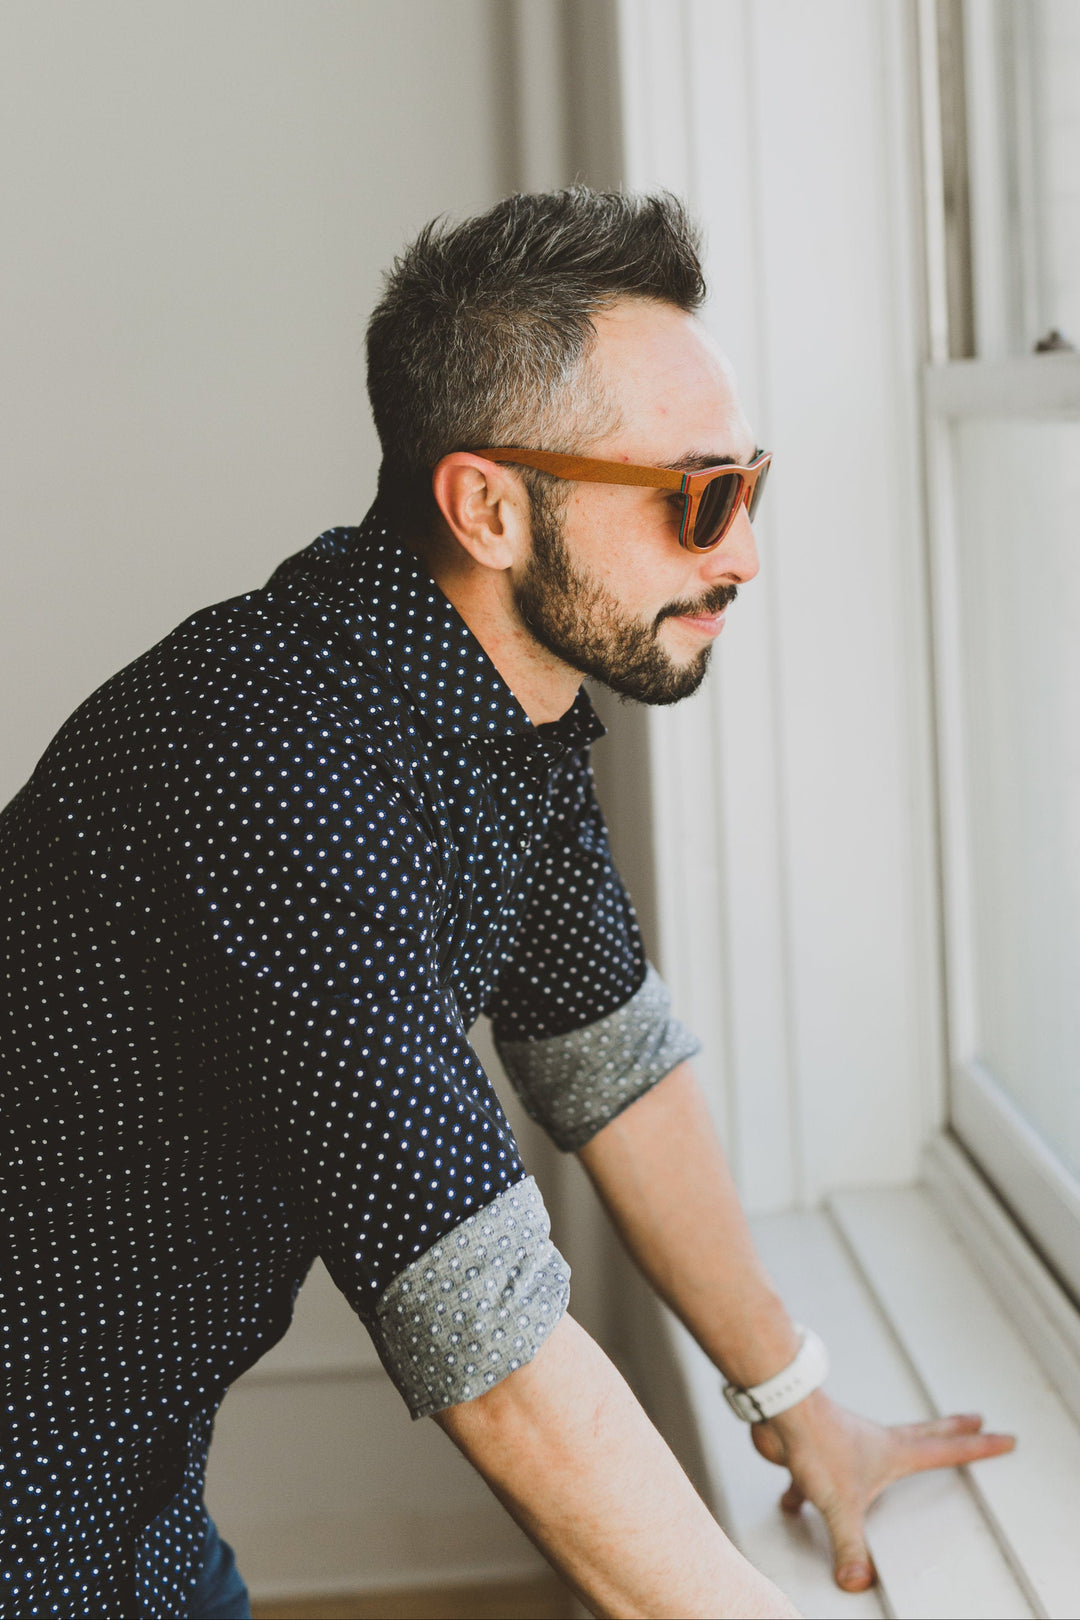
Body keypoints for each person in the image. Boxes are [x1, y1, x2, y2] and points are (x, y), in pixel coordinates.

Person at [1, 189, 1012, 1620]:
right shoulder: (274, 755)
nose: (742, 555)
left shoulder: (497, 722)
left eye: (750, 485)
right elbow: (483, 1327)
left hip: (120, 1485)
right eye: (696, 497)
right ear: (487, 503)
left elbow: (611, 1066)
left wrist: (800, 1403)